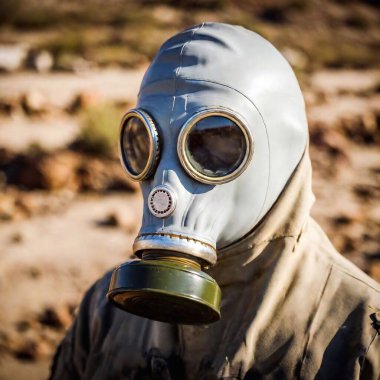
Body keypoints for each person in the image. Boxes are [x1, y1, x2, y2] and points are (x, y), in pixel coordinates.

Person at [49, 23, 380, 380]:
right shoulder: (104, 313)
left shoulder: (361, 338)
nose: (166, 187)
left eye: (214, 140)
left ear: (281, 151)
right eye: (148, 142)